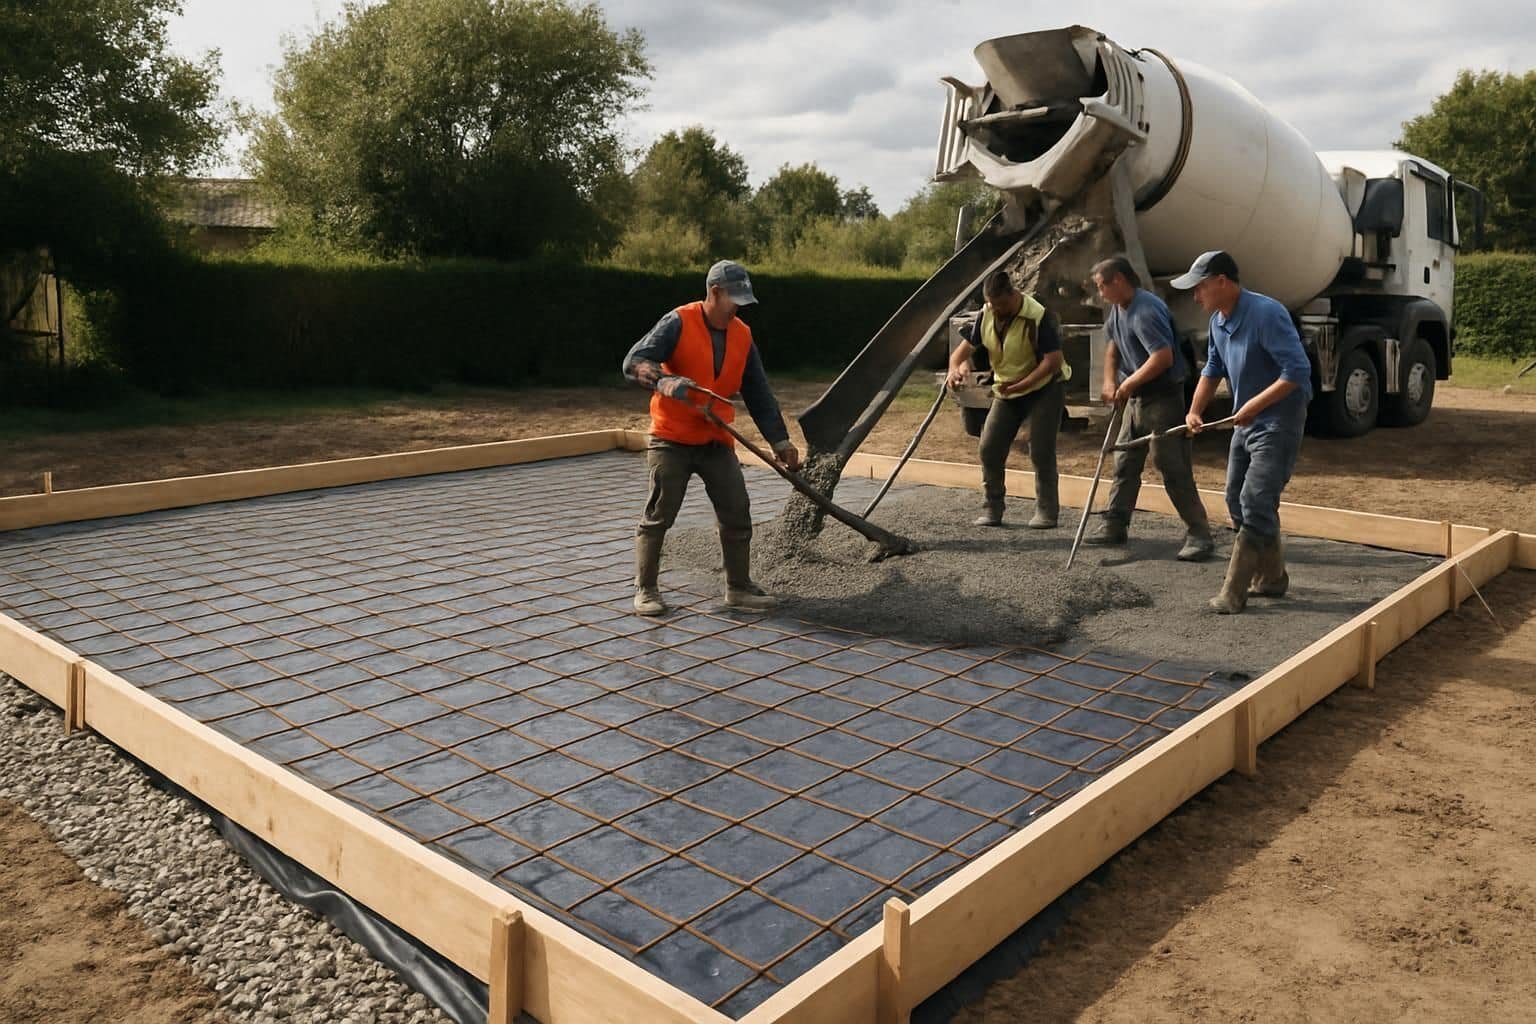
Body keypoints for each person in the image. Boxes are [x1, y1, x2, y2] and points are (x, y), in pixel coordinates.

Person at [622, 260, 801, 617]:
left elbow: (758, 393)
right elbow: (633, 361)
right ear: (714, 292)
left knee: (737, 511)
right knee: (659, 515)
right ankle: (646, 590)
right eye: (733, 299)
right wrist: (663, 381)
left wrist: (780, 441)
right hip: (672, 439)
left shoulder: (742, 335)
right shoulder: (678, 321)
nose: (737, 308)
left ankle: (738, 588)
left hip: (716, 438)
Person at [1173, 250, 1312, 613]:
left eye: (1200, 287)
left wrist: (1253, 405)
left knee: (1255, 499)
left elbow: (1297, 372)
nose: (1195, 296)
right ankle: (1272, 576)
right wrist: (1195, 410)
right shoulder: (1219, 322)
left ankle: (1234, 592)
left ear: (1222, 281)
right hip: (1248, 420)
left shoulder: (1267, 314)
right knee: (1237, 497)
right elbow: (1213, 368)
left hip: (1278, 421)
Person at [1084, 256, 1215, 561]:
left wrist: (1127, 384)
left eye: (1103, 286)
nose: (1100, 293)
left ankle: (1199, 533)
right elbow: (1113, 347)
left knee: (1171, 465)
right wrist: (1108, 382)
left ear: (1119, 281)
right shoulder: (1119, 308)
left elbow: (1162, 358)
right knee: (1125, 461)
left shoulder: (1146, 310)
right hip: (1136, 398)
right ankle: (1115, 524)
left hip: (1163, 396)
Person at [945, 270, 1070, 528]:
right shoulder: (987, 314)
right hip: (1008, 390)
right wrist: (957, 369)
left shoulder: (1038, 316)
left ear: (1013, 295)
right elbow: (960, 354)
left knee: (1040, 449)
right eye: (993, 305)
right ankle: (993, 508)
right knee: (989, 447)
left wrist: (1022, 385)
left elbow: (1053, 361)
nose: (998, 310)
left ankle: (1046, 512)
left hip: (1045, 388)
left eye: (1002, 304)